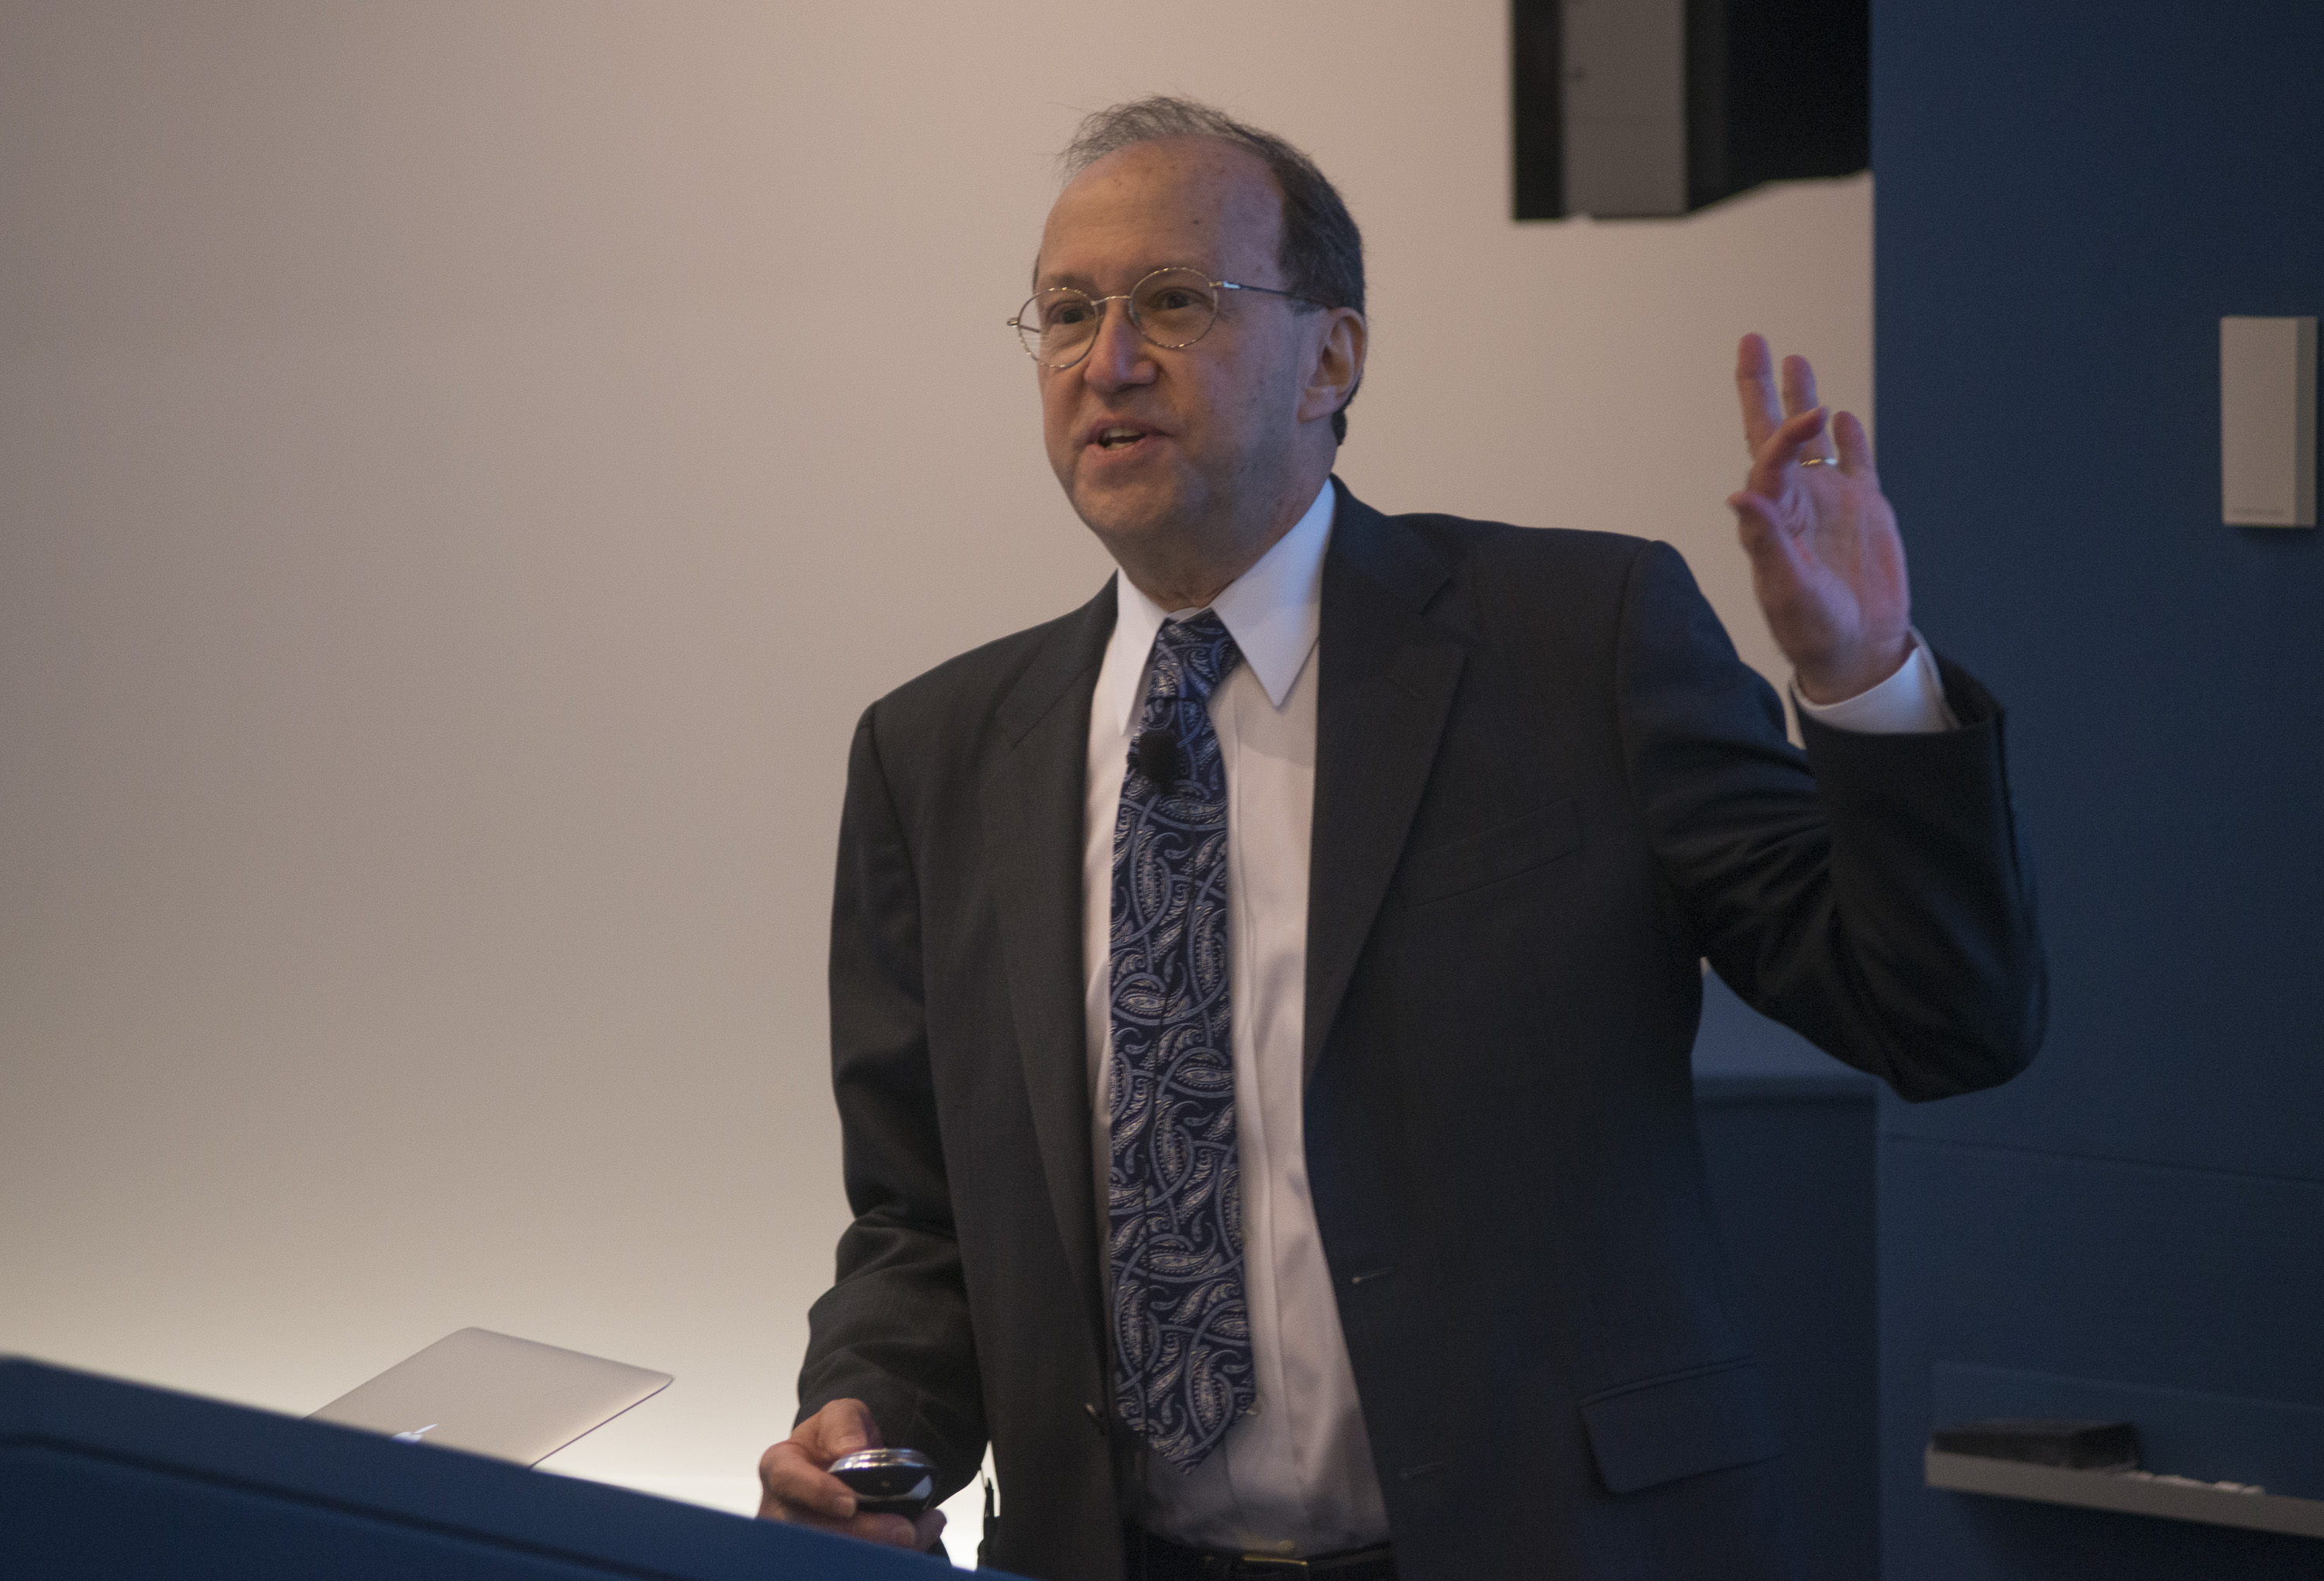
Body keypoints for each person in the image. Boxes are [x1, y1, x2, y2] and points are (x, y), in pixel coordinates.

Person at [755, 96, 2042, 1581]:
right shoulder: (936, 753)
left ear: (1334, 356)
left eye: (1176, 300)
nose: (1107, 360)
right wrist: (866, 1415)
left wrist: (1866, 679)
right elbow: (924, 1223)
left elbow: (1945, 1018)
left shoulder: (1579, 643)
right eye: (1065, 314)